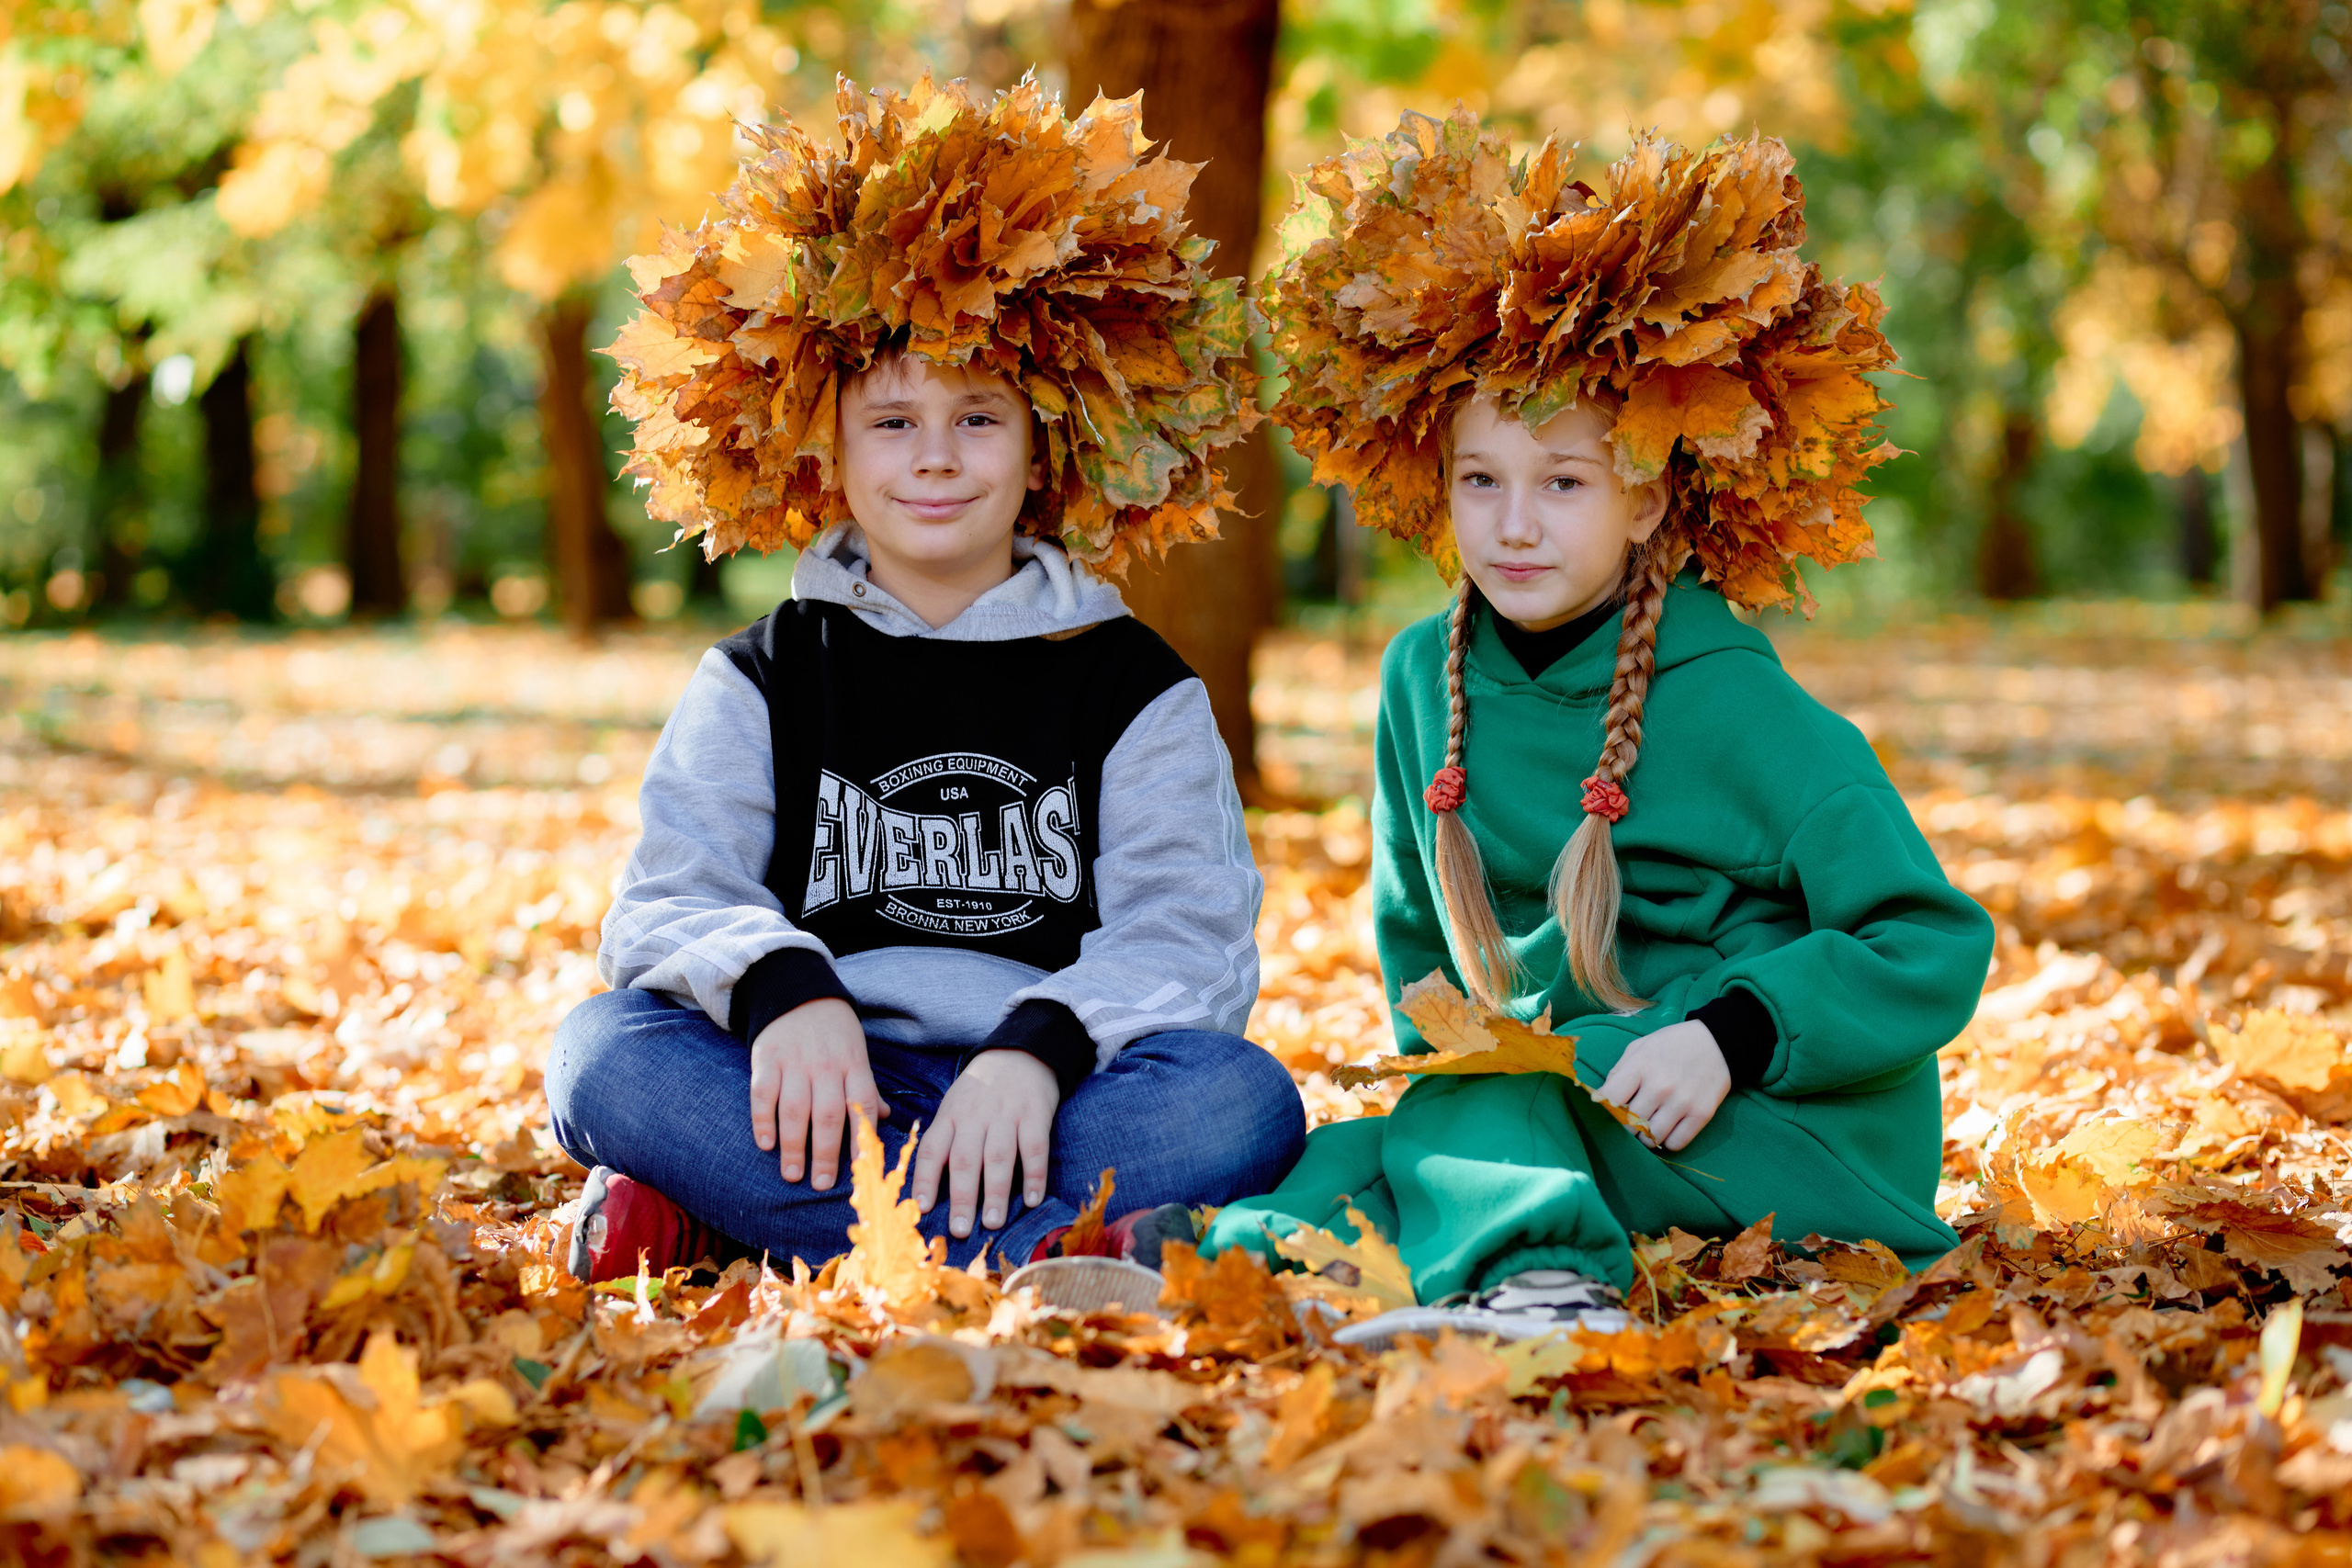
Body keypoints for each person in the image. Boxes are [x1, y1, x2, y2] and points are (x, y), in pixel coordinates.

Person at [1201, 113, 1996, 1345]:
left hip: (1773, 1121)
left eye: (1563, 483)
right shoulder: (1425, 679)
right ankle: (1227, 1270)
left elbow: (1929, 937)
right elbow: (1422, 954)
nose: (1516, 524)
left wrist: (1728, 1037)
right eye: (1482, 481)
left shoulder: (1734, 696)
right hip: (1565, 1104)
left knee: (1490, 1107)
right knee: (1370, 1150)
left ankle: (1543, 1291)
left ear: (1643, 496)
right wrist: (1451, 1102)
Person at [549, 76, 1303, 1305]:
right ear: (827, 447)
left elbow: (1190, 937)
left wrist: (1041, 1049)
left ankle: (759, 1227)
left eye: (979, 416)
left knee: (1244, 1100)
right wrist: (784, 989)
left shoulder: (1134, 688)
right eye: (892, 421)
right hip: (815, 1094)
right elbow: (669, 900)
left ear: (1044, 441)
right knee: (600, 1055)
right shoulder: (761, 675)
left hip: (1056, 1098)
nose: (938, 455)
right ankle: (1047, 1255)